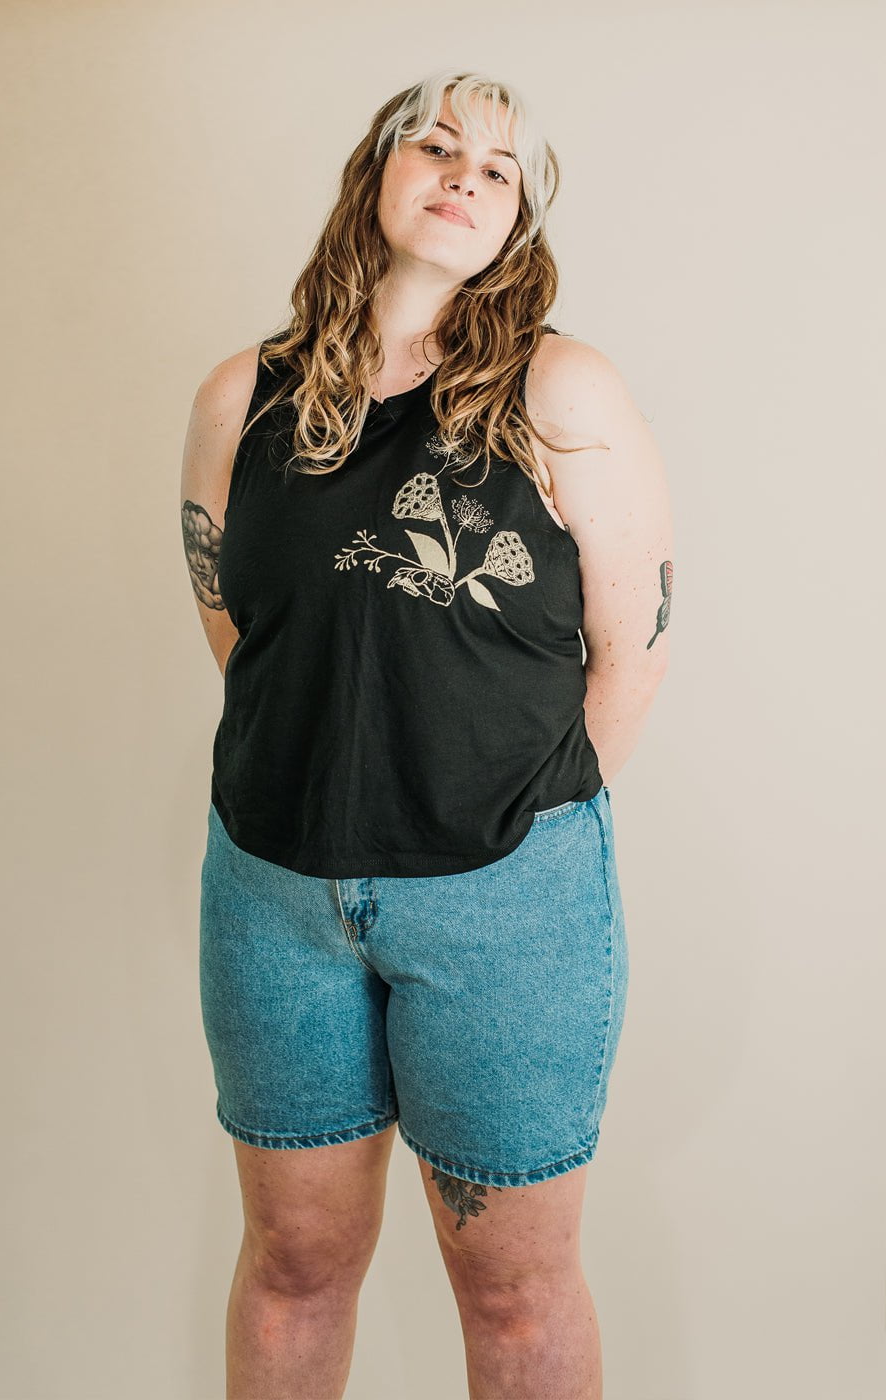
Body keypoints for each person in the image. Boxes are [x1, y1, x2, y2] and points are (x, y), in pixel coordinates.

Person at [180, 67, 673, 1400]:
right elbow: (240, 626)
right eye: (436, 146)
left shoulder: (562, 392)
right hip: (273, 889)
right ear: (375, 175)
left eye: (499, 168)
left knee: (513, 1293)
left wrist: (504, 815)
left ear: (519, 215)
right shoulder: (240, 399)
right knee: (292, 1266)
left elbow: (632, 648)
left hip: (504, 898)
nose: (465, 175)